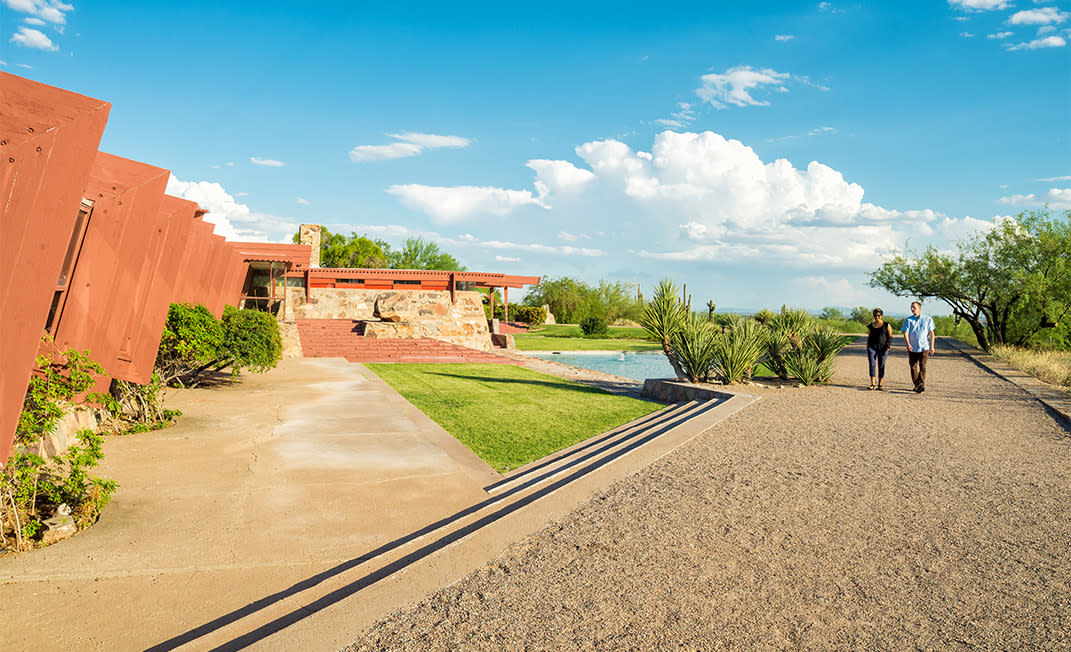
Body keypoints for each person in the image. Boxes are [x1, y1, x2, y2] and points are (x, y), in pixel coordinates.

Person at [901, 301, 936, 393]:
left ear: (919, 309)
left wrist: (932, 346)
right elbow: (905, 333)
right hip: (912, 347)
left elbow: (931, 333)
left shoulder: (927, 319)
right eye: (911, 307)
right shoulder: (908, 320)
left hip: (924, 347)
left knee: (923, 366)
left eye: (914, 307)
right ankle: (917, 384)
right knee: (913, 367)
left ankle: (921, 383)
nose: (912, 309)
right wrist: (908, 344)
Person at [865, 308, 893, 390]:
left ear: (881, 316)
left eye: (878, 315)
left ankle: (880, 384)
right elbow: (869, 336)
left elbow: (890, 336)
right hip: (872, 347)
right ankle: (872, 383)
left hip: (883, 348)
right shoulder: (871, 325)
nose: (877, 317)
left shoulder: (886, 325)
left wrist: (888, 346)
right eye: (875, 315)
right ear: (873, 316)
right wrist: (867, 346)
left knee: (881, 365)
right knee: (872, 364)